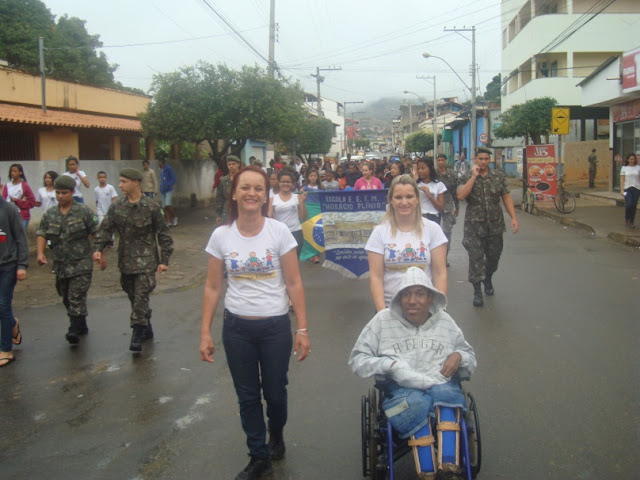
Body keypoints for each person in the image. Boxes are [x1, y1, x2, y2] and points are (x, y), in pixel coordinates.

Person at [199, 166, 309, 480]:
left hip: (275, 328)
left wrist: (302, 328)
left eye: (258, 188)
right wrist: (205, 332)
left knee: (275, 393)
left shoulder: (278, 232)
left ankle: (276, 434)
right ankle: (258, 455)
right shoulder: (221, 235)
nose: (251, 193)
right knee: (247, 396)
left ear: (265, 195)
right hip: (237, 330)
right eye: (245, 187)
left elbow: (294, 283)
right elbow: (213, 287)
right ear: (234, 193)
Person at [349, 267, 476, 479]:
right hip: (401, 389)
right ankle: (427, 471)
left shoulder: (444, 321)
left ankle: (450, 467)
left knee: (447, 398)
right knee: (415, 403)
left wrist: (458, 356)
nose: (412, 300)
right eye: (406, 294)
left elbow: (468, 354)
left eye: (419, 294)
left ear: (430, 297)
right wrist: (389, 365)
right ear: (399, 298)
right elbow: (357, 359)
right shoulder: (382, 321)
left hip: (440, 383)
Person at [92, 168, 174, 352]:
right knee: (134, 296)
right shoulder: (117, 207)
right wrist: (98, 249)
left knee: (140, 296)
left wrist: (164, 260)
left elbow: (164, 235)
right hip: (126, 261)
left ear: (136, 183)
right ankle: (146, 326)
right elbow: (106, 229)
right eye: (120, 181)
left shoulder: (151, 207)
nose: (120, 185)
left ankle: (137, 333)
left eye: (124, 181)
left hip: (146, 262)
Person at [366, 174, 448, 312]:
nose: (404, 202)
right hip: (390, 308)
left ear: (417, 199)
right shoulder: (379, 232)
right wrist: (382, 313)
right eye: (398, 197)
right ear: (391, 200)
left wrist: (439, 309)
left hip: (425, 309)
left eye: (409, 197)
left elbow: (440, 273)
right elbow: (376, 277)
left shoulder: (433, 229)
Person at [36, 175, 101, 344]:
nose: (60, 196)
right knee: (65, 296)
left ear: (72, 192)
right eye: (57, 193)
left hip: (81, 263)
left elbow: (96, 232)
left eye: (64, 193)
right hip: (60, 264)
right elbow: (42, 233)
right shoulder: (50, 214)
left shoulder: (84, 211)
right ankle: (80, 322)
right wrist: (40, 253)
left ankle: (73, 328)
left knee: (75, 296)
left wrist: (99, 252)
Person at [457, 147, 518, 307]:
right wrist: (473, 177)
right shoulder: (466, 176)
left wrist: (513, 217)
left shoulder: (498, 176)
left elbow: (506, 197)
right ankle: (477, 291)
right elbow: (461, 195)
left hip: (495, 225)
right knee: (475, 258)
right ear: (475, 159)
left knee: (493, 257)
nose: (483, 162)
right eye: (480, 159)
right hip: (473, 227)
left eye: (486, 159)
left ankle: (488, 277)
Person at [0, 192, 28, 367]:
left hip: (8, 265)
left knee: (3, 304)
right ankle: (12, 323)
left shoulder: (9, 210)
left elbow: (21, 238)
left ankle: (6, 350)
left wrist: (22, 265)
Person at [269, 170, 307, 257]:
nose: (285, 184)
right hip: (279, 233)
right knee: (279, 260)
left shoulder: (297, 197)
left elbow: (303, 217)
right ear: (279, 183)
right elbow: (269, 218)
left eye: (288, 182)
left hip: (296, 232)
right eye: (283, 181)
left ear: (292, 183)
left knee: (294, 260)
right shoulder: (273, 199)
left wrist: (302, 202)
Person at [435, 154, 459, 266]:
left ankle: (444, 258)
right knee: (433, 233)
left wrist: (457, 206)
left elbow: (455, 191)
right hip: (434, 206)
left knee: (447, 233)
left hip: (448, 206)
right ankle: (434, 258)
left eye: (442, 160)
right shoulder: (433, 174)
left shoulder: (452, 174)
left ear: (445, 161)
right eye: (438, 160)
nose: (440, 162)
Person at [3, 164, 36, 228]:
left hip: (22, 216)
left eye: (15, 171)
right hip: (9, 215)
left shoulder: (25, 186)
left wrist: (18, 201)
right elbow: (3, 201)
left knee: (20, 233)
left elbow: (32, 202)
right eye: (11, 171)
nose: (12, 173)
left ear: (20, 172)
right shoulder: (7, 186)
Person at [414, 157, 446, 224]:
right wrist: (414, 181)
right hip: (418, 217)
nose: (420, 171)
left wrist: (429, 196)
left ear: (430, 168)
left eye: (423, 168)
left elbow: (441, 208)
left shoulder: (439, 185)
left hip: (433, 218)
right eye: (418, 169)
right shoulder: (415, 184)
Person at [216, 155, 241, 225]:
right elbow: (220, 199)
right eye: (229, 164)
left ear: (238, 164)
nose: (231, 166)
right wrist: (219, 215)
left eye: (233, 164)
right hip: (227, 212)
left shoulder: (243, 178)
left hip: (241, 210)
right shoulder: (223, 180)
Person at [620, 153, 640, 228]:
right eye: (631, 159)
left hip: (636, 189)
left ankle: (631, 221)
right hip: (627, 189)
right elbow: (622, 179)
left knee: (634, 206)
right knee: (629, 204)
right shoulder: (624, 168)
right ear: (628, 159)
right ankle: (626, 218)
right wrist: (622, 190)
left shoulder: (638, 167)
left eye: (633, 159)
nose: (632, 160)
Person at [158, 157, 177, 227]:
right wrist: (161, 187)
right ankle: (168, 221)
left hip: (168, 190)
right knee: (164, 206)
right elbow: (162, 180)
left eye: (159, 163)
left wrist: (168, 185)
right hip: (162, 190)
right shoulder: (161, 170)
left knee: (168, 204)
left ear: (162, 163)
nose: (158, 164)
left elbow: (173, 178)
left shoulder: (168, 169)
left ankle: (174, 218)